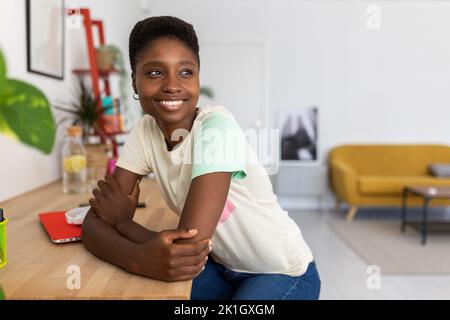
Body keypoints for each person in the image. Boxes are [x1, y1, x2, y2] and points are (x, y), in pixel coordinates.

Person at [83, 16, 321, 300]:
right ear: (134, 82)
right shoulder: (144, 132)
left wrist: (123, 226)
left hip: (280, 271)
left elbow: (188, 245)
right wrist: (140, 257)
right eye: (155, 73)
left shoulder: (216, 128)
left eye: (185, 72)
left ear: (198, 77)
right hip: (218, 265)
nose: (173, 85)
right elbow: (92, 224)